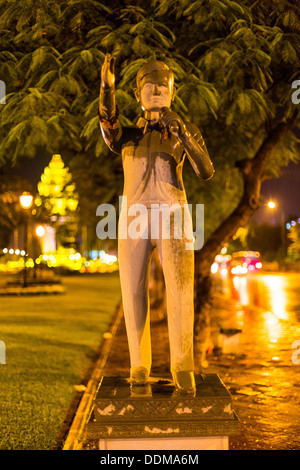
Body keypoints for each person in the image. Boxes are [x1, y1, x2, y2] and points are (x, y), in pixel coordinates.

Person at [98, 54, 214, 392]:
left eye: (164, 85)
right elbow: (108, 123)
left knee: (179, 290)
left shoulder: (183, 131)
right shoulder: (127, 136)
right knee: (132, 291)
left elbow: (205, 171)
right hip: (133, 216)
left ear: (173, 92)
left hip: (173, 213)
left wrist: (184, 134)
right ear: (137, 94)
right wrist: (107, 89)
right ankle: (139, 365)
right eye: (149, 85)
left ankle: (182, 365)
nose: (158, 89)